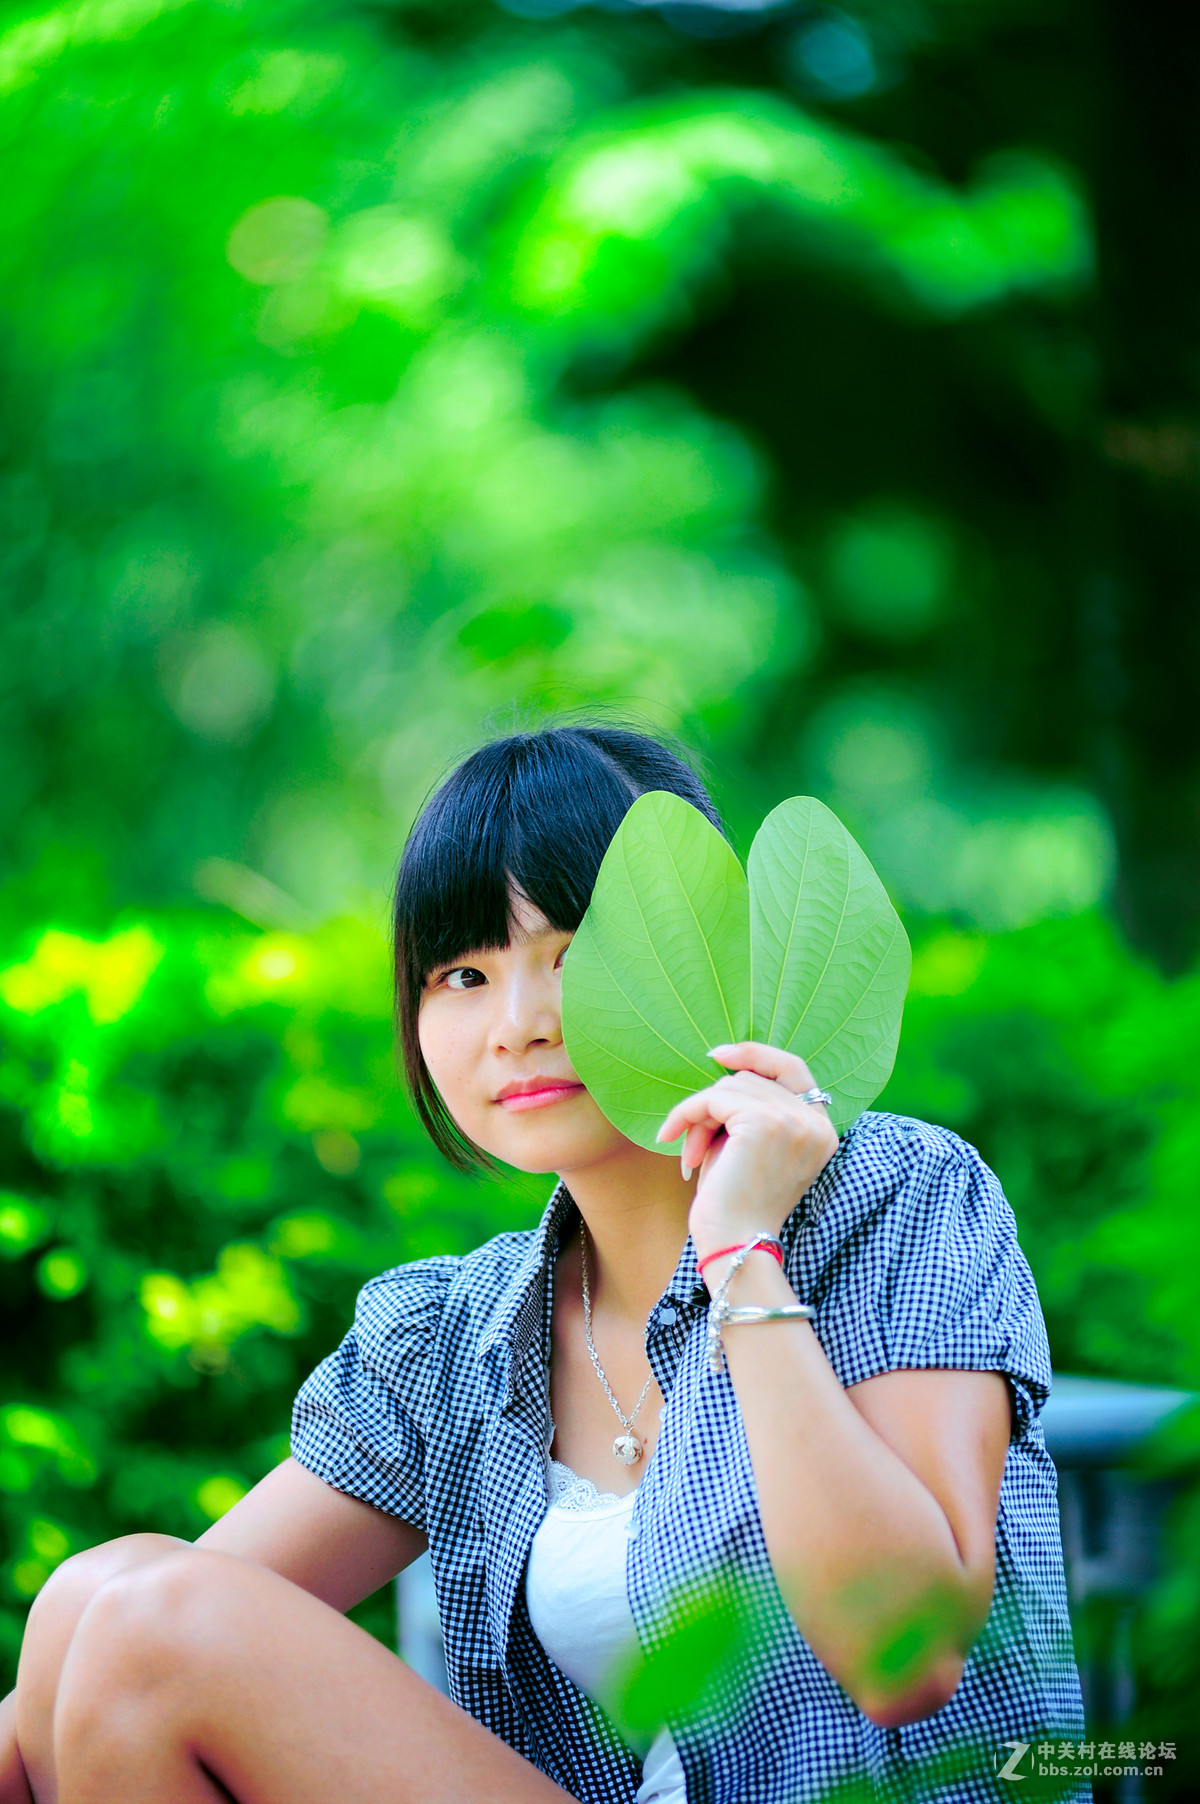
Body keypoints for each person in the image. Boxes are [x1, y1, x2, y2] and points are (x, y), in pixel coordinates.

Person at [0, 722, 1087, 1804]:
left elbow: (909, 1656)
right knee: (94, 1596)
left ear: (704, 964)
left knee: (147, 1623)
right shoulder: (454, 1338)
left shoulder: (896, 1199)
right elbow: (113, 1651)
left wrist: (743, 1250)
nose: (516, 1023)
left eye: (574, 956)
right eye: (463, 973)